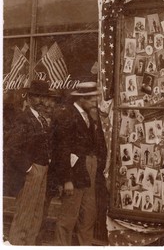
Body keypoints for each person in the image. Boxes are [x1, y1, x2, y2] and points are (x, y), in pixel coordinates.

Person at [54, 81, 107, 245]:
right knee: (68, 218)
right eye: (92, 100)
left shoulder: (89, 116)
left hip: (88, 170)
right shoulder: (68, 116)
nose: (95, 103)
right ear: (82, 99)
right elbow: (63, 150)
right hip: (75, 173)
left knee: (88, 216)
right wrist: (67, 180)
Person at [6, 80, 57, 245]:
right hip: (31, 172)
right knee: (25, 214)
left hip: (42, 170)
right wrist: (29, 168)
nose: (41, 101)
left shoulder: (41, 119)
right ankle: (17, 244)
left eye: (44, 97)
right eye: (37, 97)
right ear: (28, 98)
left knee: (36, 214)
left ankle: (29, 244)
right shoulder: (23, 119)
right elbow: (12, 149)